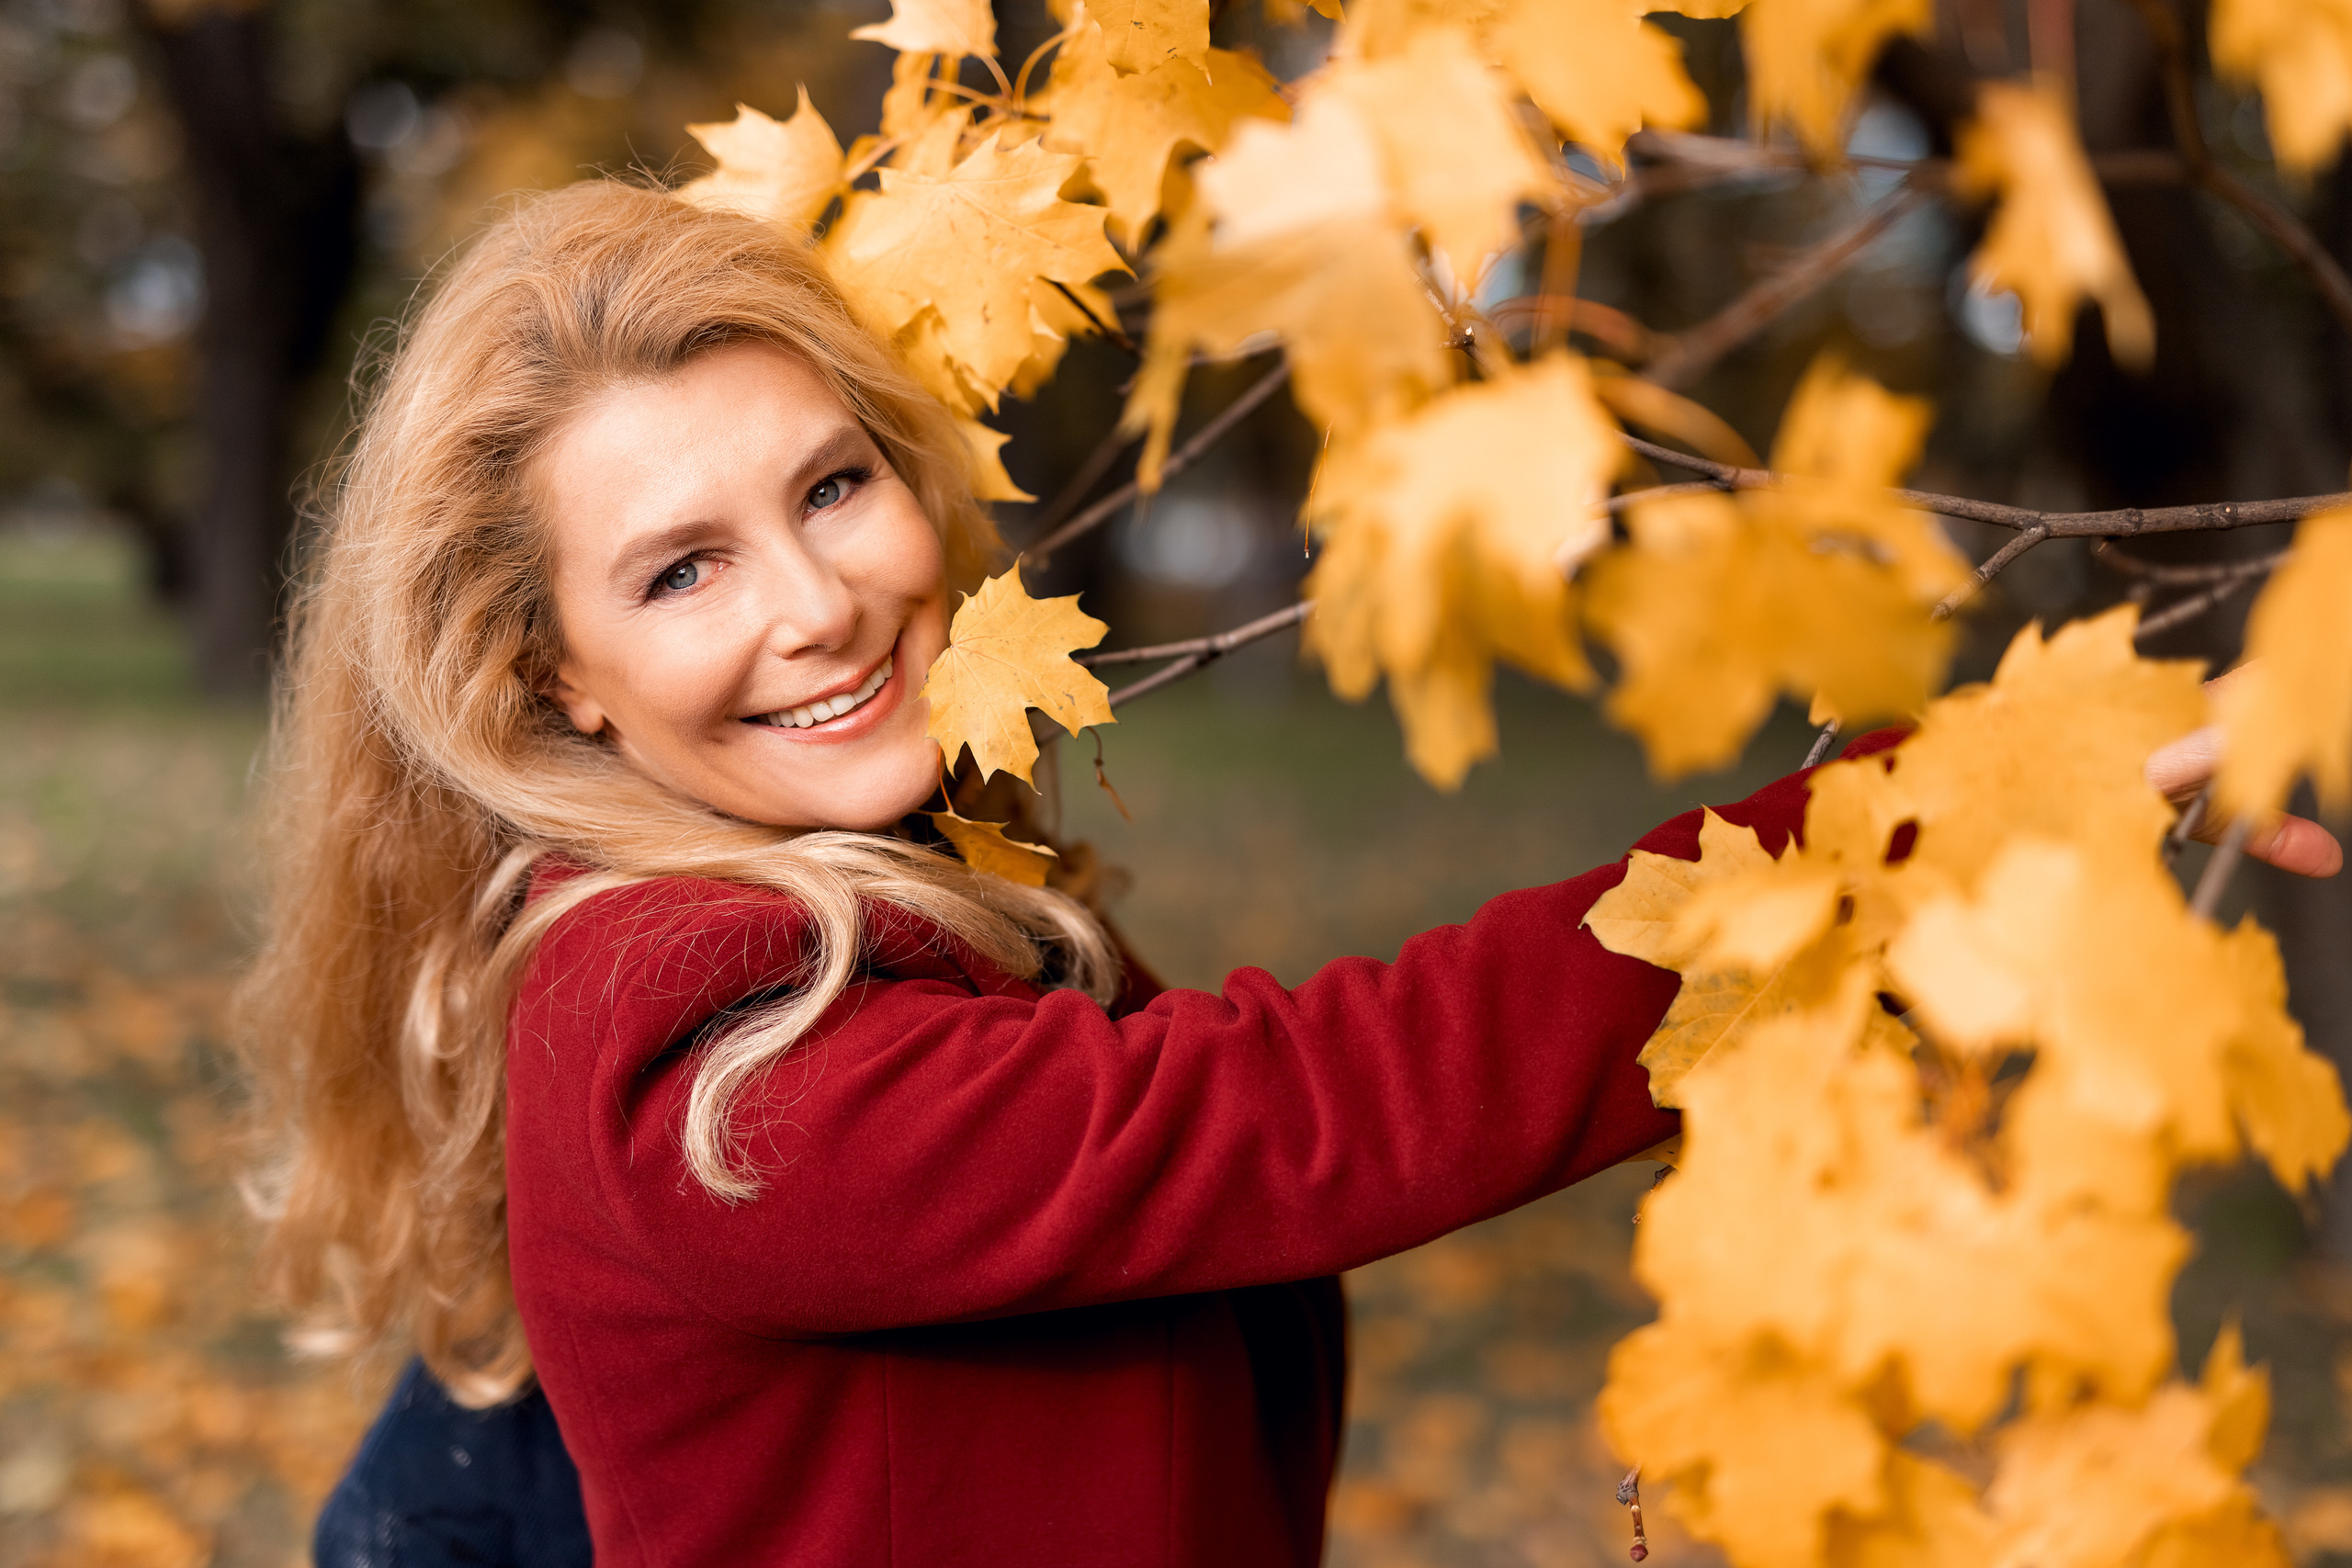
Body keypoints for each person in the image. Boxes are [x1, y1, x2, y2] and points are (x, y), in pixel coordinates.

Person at [244, 179, 2337, 1568]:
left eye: (833, 485)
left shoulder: (839, 902)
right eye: (681, 568)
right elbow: (1319, 1101)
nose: (818, 603)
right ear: (557, 681)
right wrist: (1941, 821)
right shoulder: (722, 1060)